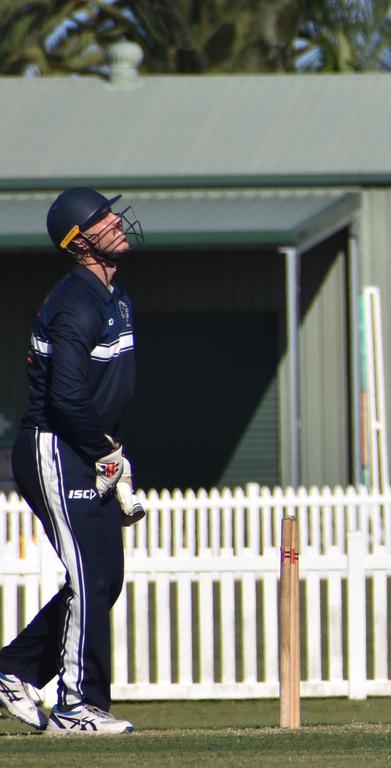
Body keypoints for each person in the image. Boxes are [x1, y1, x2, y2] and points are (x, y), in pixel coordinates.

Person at [0, 187, 146, 734]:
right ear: (79, 241)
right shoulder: (76, 303)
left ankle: (12, 668)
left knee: (104, 579)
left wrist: (113, 455)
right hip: (55, 450)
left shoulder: (115, 297)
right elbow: (65, 398)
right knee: (88, 576)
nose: (116, 222)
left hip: (87, 448)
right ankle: (75, 704)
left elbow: (103, 395)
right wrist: (105, 452)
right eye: (103, 219)